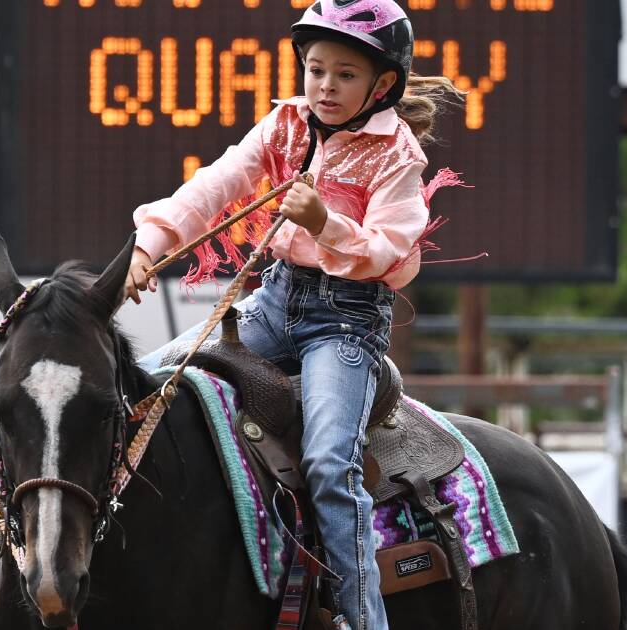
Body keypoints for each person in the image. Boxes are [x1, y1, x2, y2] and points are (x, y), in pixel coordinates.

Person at [127, 3, 463, 628]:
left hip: (346, 324)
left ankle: (363, 619)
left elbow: (393, 255)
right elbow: (213, 186)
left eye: (344, 74)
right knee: (137, 392)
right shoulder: (282, 125)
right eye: (316, 70)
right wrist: (148, 248)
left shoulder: (399, 156)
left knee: (329, 465)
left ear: (381, 85)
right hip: (273, 303)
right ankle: (39, 538)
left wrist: (323, 223)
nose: (325, 87)